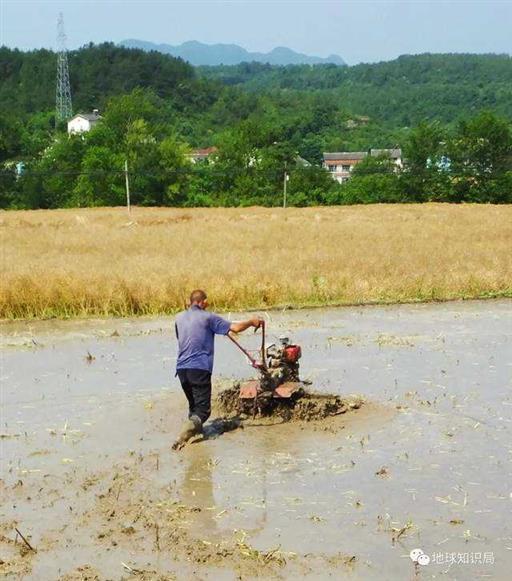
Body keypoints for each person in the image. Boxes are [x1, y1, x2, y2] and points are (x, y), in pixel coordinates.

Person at [172, 289, 262, 449]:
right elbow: (235, 328)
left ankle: (196, 438)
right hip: (199, 368)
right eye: (207, 302)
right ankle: (184, 434)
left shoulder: (178, 318)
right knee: (204, 411)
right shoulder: (208, 317)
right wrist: (251, 322)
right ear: (202, 302)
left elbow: (183, 338)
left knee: (194, 406)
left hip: (181, 369)